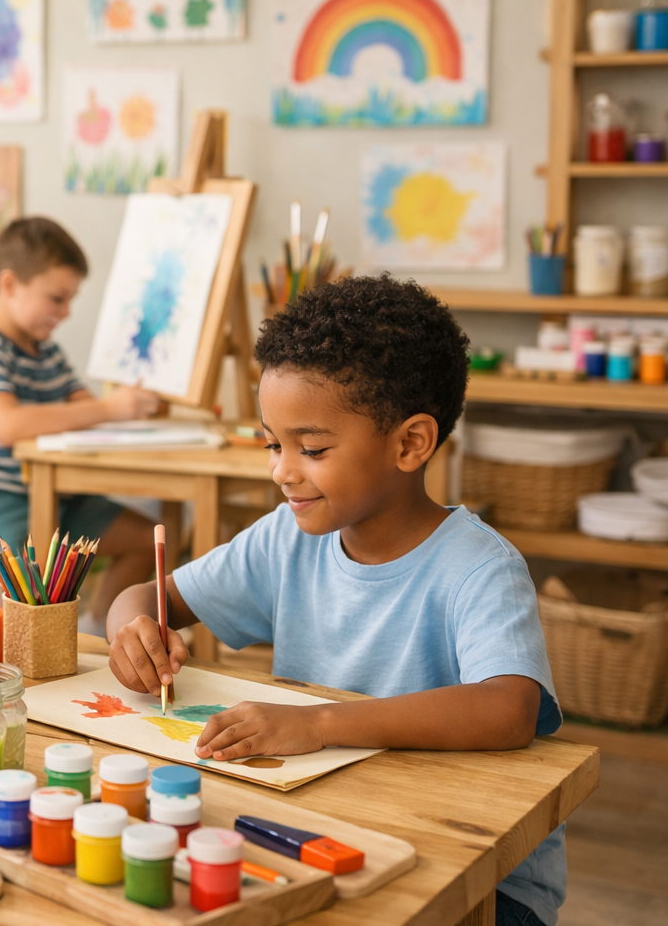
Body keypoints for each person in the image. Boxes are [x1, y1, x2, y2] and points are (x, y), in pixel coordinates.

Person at [106, 276, 565, 926]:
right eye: (274, 444)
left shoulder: (480, 567)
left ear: (410, 443)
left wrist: (316, 724)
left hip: (482, 875)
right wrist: (131, 628)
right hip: (333, 830)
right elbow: (151, 596)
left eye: (312, 449)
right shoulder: (286, 539)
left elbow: (509, 709)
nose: (282, 470)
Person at [0, 216, 163, 627]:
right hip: (0, 500)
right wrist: (109, 408)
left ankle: (100, 634)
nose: (65, 312)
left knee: (146, 541)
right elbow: (7, 425)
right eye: (57, 298)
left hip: (61, 497)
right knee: (31, 595)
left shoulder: (48, 353)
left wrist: (128, 401)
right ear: (10, 285)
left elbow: (86, 406)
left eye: (70, 300)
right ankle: (45, 642)